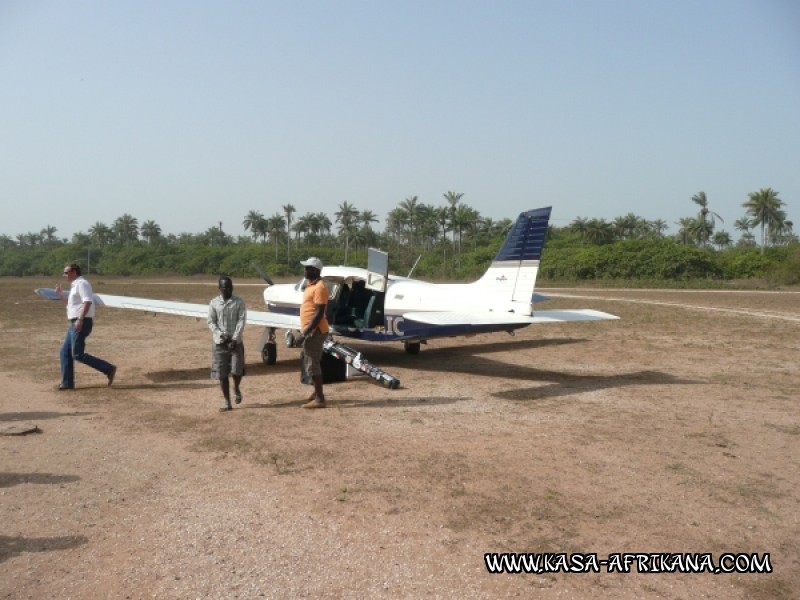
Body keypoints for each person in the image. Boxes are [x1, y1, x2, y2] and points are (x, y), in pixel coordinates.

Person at [55, 263, 117, 390]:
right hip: (75, 322)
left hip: (81, 322)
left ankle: (108, 368)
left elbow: (87, 301)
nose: (64, 275)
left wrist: (80, 319)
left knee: (77, 354)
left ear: (74, 272)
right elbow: (72, 305)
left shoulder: (82, 284)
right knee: (64, 352)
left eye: (66, 272)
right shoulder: (74, 286)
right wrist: (61, 295)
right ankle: (67, 383)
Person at [208, 276, 247, 412]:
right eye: (225, 287)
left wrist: (234, 339)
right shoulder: (213, 303)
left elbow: (241, 321)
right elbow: (211, 322)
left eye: (230, 286)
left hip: (236, 343)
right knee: (222, 374)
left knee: (237, 370)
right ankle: (227, 402)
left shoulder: (239, 302)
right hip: (219, 343)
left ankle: (236, 387)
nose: (228, 289)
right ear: (220, 288)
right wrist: (221, 335)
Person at [295, 257, 329, 409]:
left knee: (312, 364)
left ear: (314, 270)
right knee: (313, 362)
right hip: (312, 330)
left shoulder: (320, 287)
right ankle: (316, 392)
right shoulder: (311, 286)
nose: (305, 270)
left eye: (307, 268)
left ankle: (320, 399)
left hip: (315, 331)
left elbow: (319, 313)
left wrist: (304, 333)